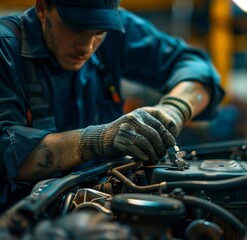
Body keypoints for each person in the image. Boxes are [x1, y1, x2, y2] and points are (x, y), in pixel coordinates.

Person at [0, 0, 224, 210]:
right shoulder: (5, 49)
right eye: (76, 29)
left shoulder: (116, 29)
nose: (87, 47)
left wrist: (175, 108)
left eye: (98, 33)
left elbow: (196, 67)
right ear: (42, 9)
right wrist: (98, 140)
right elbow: (6, 151)